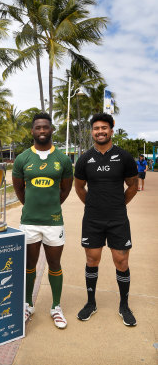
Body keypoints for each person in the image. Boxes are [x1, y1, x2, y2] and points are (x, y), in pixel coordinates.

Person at [74, 113, 138, 326]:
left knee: (121, 261)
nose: (100, 131)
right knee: (92, 260)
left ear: (111, 130)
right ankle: (91, 303)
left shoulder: (124, 157)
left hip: (118, 219)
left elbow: (132, 185)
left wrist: (118, 205)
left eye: (104, 128)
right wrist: (93, 206)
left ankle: (124, 305)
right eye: (96, 128)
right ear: (91, 132)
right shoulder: (84, 159)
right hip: (92, 220)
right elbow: (79, 187)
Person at [12, 112, 73, 329]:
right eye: (38, 127)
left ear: (51, 130)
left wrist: (51, 206)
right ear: (32, 130)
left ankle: (56, 307)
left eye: (45, 127)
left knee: (55, 264)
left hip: (54, 222)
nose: (42, 131)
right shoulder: (22, 159)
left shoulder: (63, 160)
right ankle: (28, 305)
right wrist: (31, 206)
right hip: (29, 222)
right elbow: (19, 189)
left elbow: (66, 189)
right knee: (29, 265)